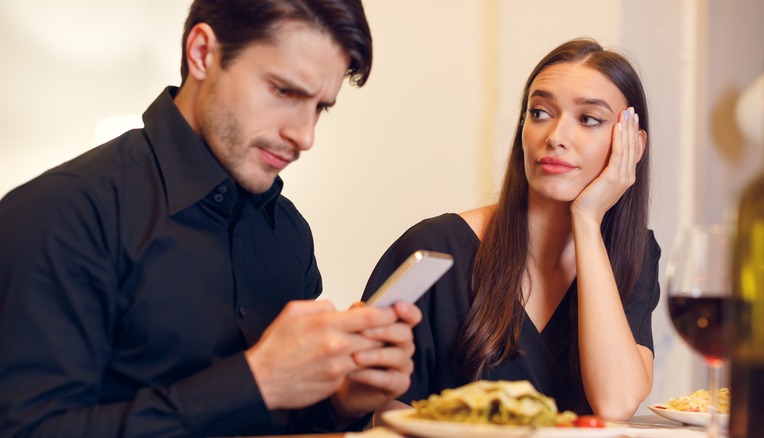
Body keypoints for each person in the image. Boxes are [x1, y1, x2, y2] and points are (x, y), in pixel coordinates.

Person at [0, 1, 421, 436]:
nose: (305, 135)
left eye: (320, 107)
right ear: (202, 53)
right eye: (284, 91)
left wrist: (338, 404)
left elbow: (289, 422)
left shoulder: (289, 233)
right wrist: (254, 383)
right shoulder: (62, 213)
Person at [362, 38, 660, 421]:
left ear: (632, 146)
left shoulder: (636, 252)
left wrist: (586, 220)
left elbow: (616, 402)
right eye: (539, 113)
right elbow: (377, 413)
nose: (555, 136)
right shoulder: (433, 249)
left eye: (588, 119)